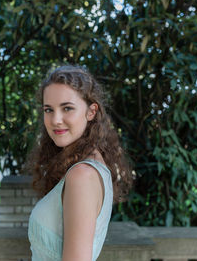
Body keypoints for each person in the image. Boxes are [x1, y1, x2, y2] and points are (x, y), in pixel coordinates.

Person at [27, 65, 133, 261]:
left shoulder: (82, 175)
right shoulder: (88, 165)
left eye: (67, 108)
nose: (56, 120)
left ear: (91, 112)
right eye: (48, 110)